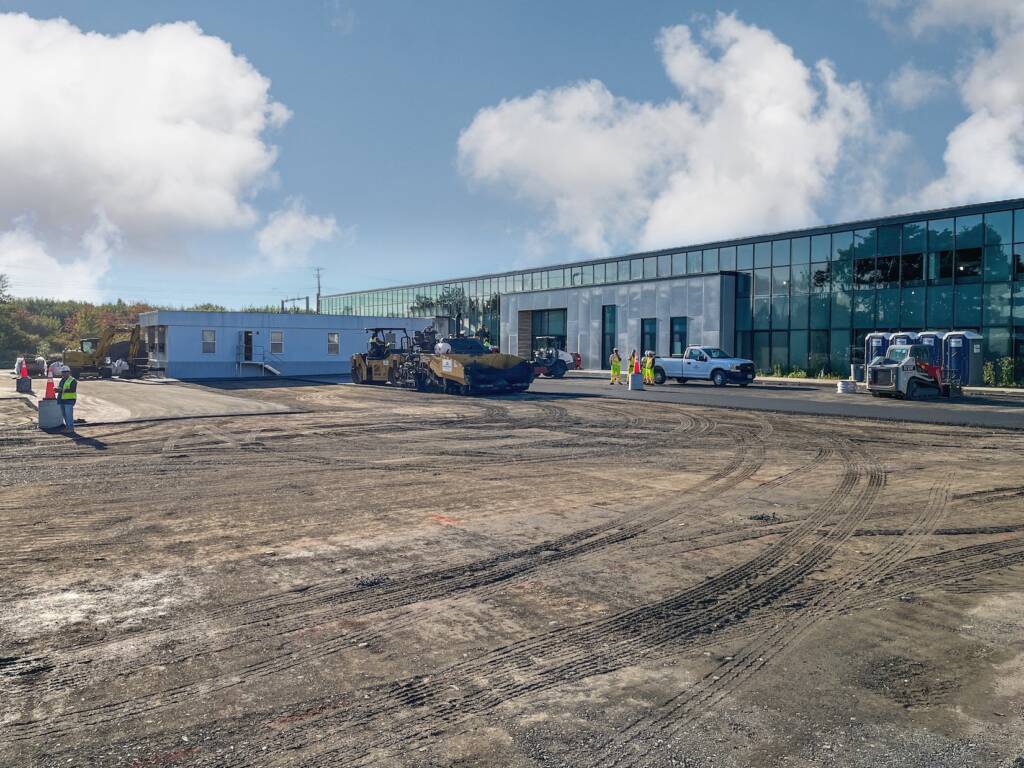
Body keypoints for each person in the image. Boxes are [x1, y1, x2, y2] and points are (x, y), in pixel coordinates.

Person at [56, 365, 77, 433]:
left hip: (69, 400)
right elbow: (60, 388)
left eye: (65, 372)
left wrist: (61, 390)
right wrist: (57, 390)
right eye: (63, 372)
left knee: (69, 415)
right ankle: (68, 427)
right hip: (62, 400)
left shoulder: (73, 380)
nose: (64, 373)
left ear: (69, 372)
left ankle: (70, 428)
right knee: (65, 415)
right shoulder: (62, 380)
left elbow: (72, 389)